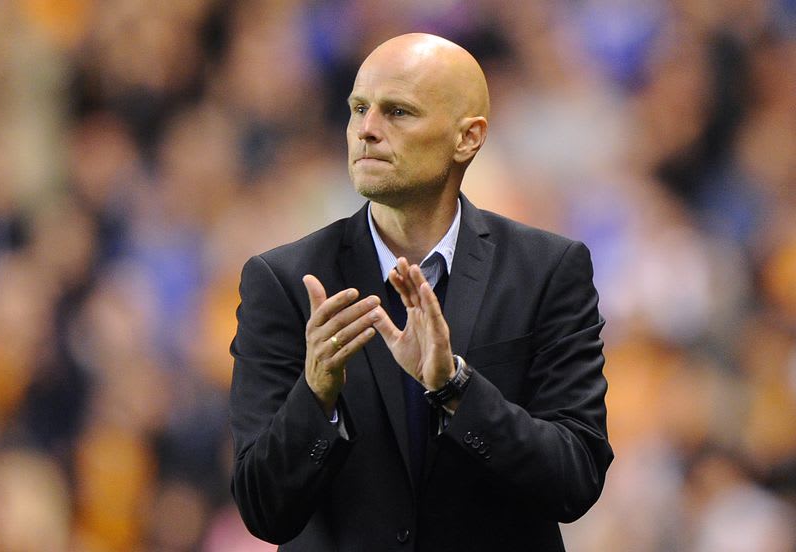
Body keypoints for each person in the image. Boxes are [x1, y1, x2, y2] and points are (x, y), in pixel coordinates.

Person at [229, 33, 613, 551]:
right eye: (358, 108)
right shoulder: (285, 281)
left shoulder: (547, 270)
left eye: (398, 112)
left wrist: (455, 387)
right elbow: (263, 510)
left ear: (468, 138)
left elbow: (575, 480)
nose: (366, 129)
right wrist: (316, 396)